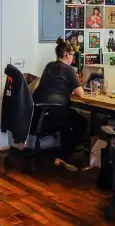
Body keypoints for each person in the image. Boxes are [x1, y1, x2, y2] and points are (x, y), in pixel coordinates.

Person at [32, 38, 87, 171]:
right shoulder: (69, 70)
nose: (73, 58)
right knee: (81, 123)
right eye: (73, 55)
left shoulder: (49, 66)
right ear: (67, 54)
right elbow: (81, 93)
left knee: (69, 119)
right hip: (54, 114)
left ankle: (62, 156)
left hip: (39, 114)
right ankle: (64, 156)